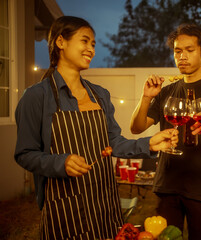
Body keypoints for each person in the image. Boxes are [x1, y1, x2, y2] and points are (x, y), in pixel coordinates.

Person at [14, 16, 178, 240]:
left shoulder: (100, 94)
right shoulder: (36, 96)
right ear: (61, 42)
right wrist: (60, 162)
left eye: (93, 44)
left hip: (104, 201)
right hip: (65, 206)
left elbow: (114, 143)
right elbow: (25, 153)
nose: (91, 49)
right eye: (85, 41)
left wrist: (149, 143)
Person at [130, 24, 201, 239]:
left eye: (189, 50)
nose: (182, 56)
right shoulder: (167, 91)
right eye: (177, 51)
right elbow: (136, 128)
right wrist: (146, 97)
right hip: (168, 183)